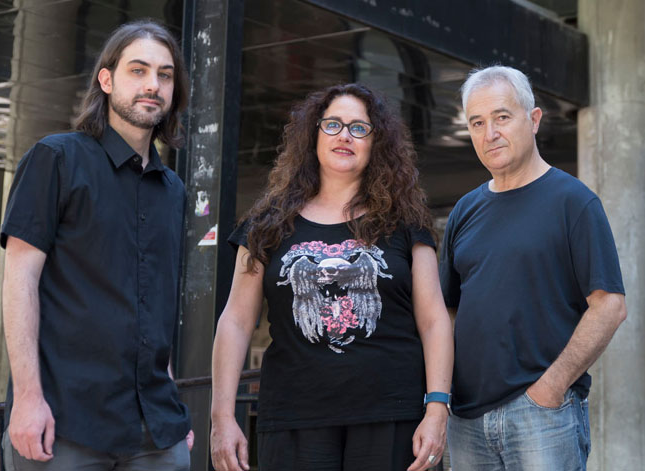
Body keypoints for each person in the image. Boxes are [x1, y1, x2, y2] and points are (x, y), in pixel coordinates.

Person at [210, 83, 453, 471]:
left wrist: (437, 407)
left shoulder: (405, 222)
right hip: (293, 417)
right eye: (333, 124)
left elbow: (434, 320)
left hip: (392, 415)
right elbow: (236, 321)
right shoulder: (266, 224)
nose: (345, 135)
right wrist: (221, 417)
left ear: (376, 143)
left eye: (359, 128)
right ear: (313, 135)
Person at [0, 20, 193, 470]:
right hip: (64, 422)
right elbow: (19, 281)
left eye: (165, 75)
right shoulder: (56, 159)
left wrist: (172, 409)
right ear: (106, 80)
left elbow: (154, 309)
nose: (153, 85)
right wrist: (27, 399)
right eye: (138, 70)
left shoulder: (173, 190)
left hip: (155, 432)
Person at [440, 65, 627, 470]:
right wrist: (441, 396)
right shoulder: (464, 212)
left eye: (502, 117)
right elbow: (447, 312)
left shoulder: (574, 202)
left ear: (534, 119)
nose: (489, 133)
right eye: (477, 122)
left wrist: (551, 387)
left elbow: (609, 305)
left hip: (542, 415)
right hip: (467, 419)